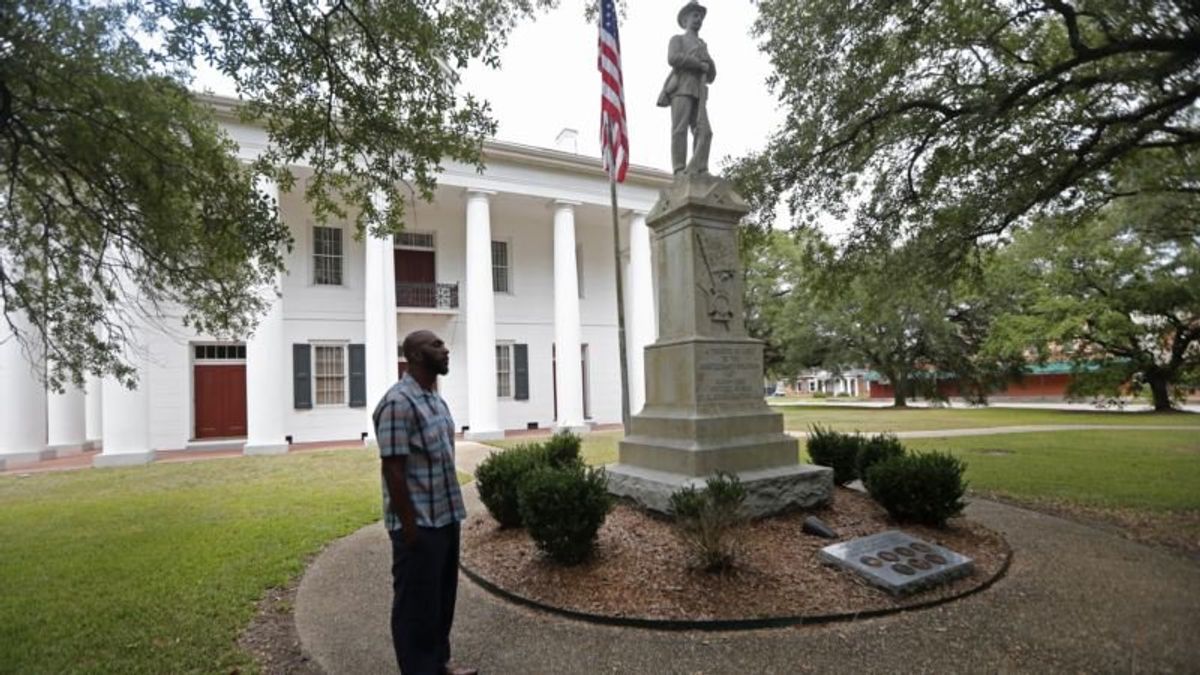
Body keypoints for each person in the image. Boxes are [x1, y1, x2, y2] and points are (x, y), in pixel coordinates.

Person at [373, 330, 475, 675]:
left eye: (444, 344)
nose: (446, 350)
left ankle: (438, 664)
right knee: (414, 606)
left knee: (441, 600)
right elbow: (393, 469)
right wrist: (411, 529)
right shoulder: (397, 403)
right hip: (418, 525)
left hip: (446, 517)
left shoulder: (435, 400)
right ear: (415, 356)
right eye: (436, 345)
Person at [657, 1, 716, 175]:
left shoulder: (703, 45)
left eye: (700, 17)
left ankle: (700, 167)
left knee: (705, 131)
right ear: (685, 20)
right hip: (681, 88)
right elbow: (673, 58)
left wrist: (708, 64)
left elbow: (711, 76)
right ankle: (679, 168)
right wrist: (698, 64)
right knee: (679, 129)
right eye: (694, 15)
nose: (698, 19)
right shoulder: (678, 40)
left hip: (699, 92)